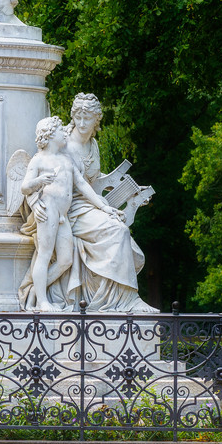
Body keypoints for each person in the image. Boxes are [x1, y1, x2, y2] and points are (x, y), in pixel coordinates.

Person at [58, 94, 157, 313]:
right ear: (73, 117)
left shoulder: (93, 146)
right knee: (118, 231)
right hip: (71, 209)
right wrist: (102, 206)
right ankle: (125, 299)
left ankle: (119, 298)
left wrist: (132, 191)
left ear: (97, 120)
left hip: (90, 205)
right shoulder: (63, 144)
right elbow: (77, 185)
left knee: (119, 226)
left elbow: (95, 180)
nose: (82, 123)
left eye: (88, 118)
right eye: (79, 117)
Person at [19, 116, 119, 312]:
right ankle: (42, 301)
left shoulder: (65, 160)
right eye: (59, 131)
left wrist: (103, 207)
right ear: (48, 135)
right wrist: (40, 180)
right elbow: (24, 187)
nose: (64, 133)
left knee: (66, 260)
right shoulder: (39, 159)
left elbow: (82, 185)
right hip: (48, 211)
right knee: (45, 254)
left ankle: (36, 291)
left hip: (63, 214)